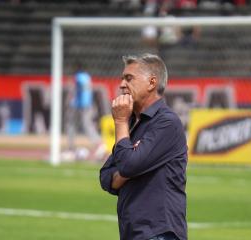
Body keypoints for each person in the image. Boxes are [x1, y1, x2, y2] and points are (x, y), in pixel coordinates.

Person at [99, 53, 188, 240]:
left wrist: (121, 122)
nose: (122, 84)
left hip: (159, 233)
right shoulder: (133, 123)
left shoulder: (167, 122)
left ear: (151, 82)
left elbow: (126, 165)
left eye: (129, 78)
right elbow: (106, 175)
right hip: (134, 232)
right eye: (122, 78)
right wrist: (128, 165)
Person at [66, 62, 102, 159]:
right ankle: (98, 144)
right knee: (86, 124)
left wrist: (72, 101)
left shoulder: (78, 77)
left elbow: (76, 90)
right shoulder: (87, 77)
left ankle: (71, 148)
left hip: (80, 105)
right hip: (87, 104)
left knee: (73, 124)